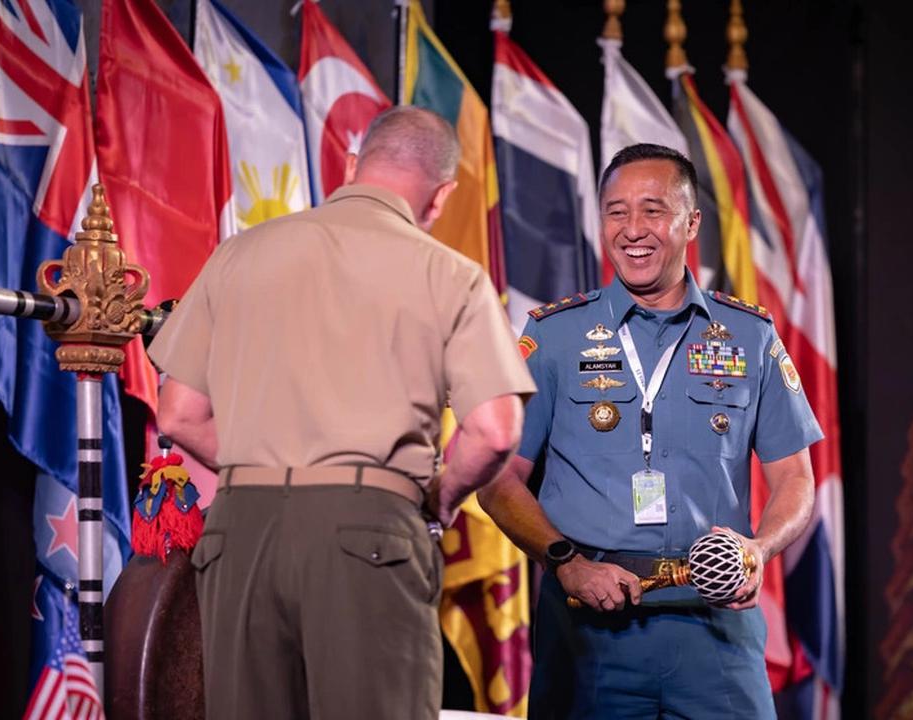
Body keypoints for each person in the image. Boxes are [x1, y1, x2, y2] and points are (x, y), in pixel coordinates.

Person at [148, 106, 535, 720]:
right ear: (441, 197)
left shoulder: (237, 255)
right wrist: (437, 497)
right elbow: (494, 430)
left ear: (351, 167)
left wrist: (269, 458)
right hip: (368, 532)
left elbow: (177, 415)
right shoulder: (450, 275)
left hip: (239, 532)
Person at [477, 143, 822, 719]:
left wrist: (759, 550)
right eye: (616, 211)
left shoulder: (749, 336)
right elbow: (498, 480)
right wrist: (566, 561)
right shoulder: (553, 336)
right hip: (590, 629)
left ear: (691, 223)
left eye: (653, 210)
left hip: (716, 630)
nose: (632, 229)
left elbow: (796, 478)